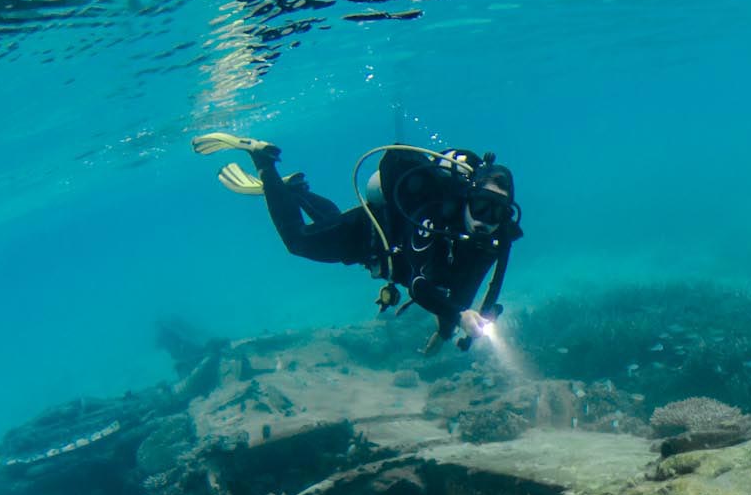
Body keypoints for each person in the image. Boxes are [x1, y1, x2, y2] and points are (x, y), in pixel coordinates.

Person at [193, 133, 522, 353]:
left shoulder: (496, 236)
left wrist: (450, 327)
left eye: (496, 212)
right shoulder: (433, 217)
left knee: (325, 224)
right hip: (366, 234)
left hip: (379, 254)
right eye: (480, 206)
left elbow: (478, 287)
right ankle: (263, 160)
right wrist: (455, 317)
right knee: (298, 240)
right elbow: (420, 286)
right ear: (466, 199)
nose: (485, 220)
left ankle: (294, 191)